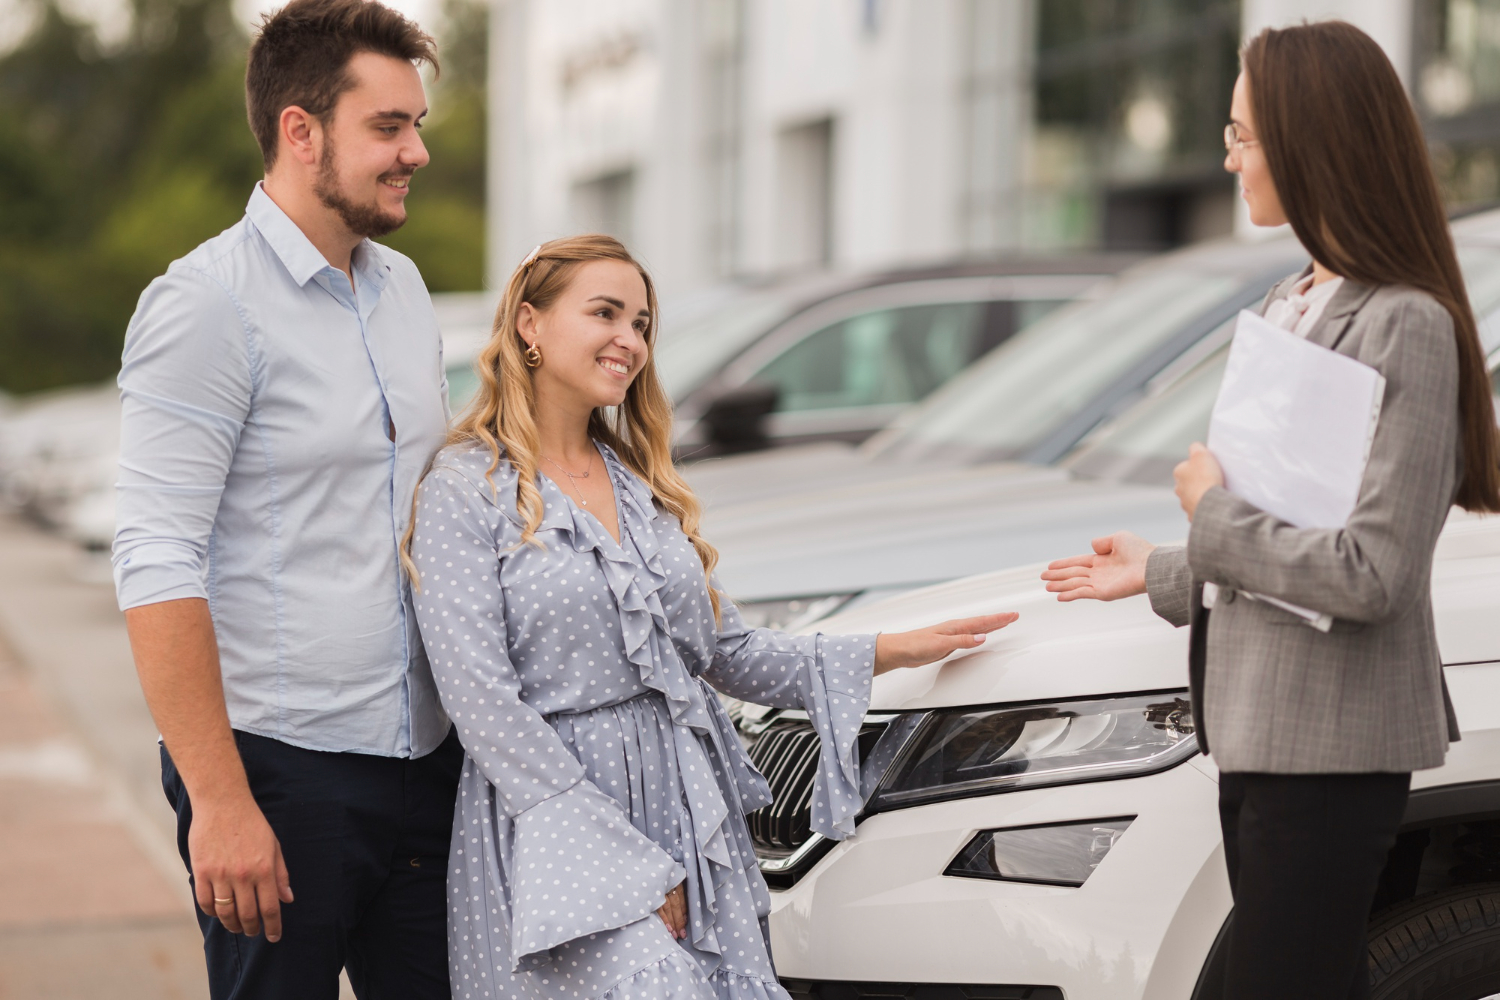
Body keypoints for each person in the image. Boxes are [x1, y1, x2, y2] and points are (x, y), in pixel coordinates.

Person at [404, 234, 1017, 1000]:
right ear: (529, 324)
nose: (629, 341)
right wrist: (619, 861)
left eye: (642, 324)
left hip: (684, 805)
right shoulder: (465, 490)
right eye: (606, 314)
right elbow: (481, 701)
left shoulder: (637, 483)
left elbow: (721, 652)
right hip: (559, 820)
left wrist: (888, 650)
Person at [1040, 20, 1500, 1000]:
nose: (1227, 153)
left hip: (1331, 740)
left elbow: (1370, 572)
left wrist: (1207, 519)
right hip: (1255, 725)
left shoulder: (1404, 322)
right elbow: (1285, 519)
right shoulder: (1303, 299)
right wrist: (1164, 568)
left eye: (1243, 132)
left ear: (1310, 140)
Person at [111, 0, 462, 995]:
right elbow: (154, 554)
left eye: (418, 125)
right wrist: (219, 801)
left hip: (426, 760)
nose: (415, 153)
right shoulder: (205, 305)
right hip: (278, 769)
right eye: (388, 127)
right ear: (300, 133)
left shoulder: (404, 291)